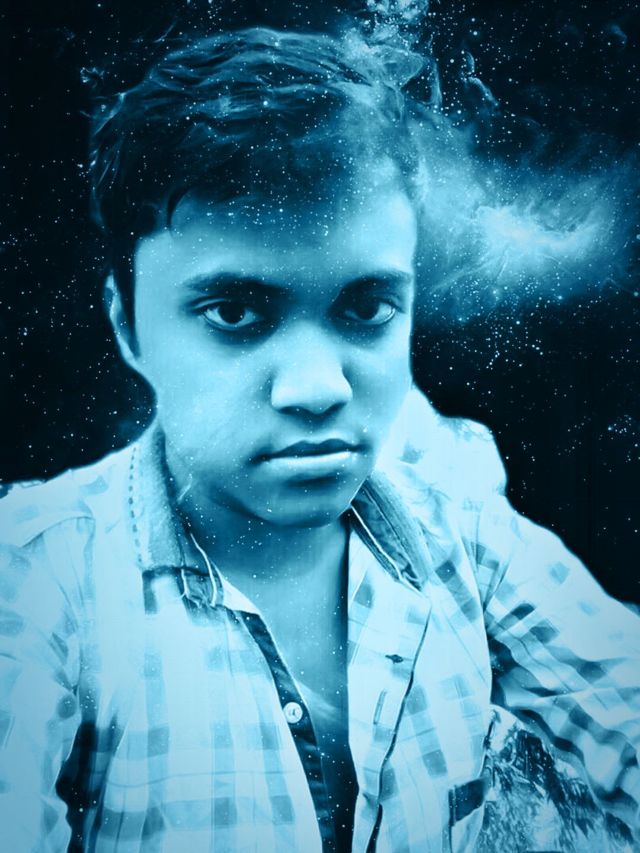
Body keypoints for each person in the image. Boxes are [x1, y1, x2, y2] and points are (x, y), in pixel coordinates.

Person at [0, 27, 638, 853]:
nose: (318, 387)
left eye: (366, 308)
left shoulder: (461, 528)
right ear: (128, 325)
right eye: (236, 312)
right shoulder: (35, 581)